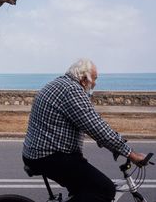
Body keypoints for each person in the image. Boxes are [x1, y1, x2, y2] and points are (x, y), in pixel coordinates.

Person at [22, 58, 146, 202]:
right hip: (49, 156)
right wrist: (132, 155)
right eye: (94, 78)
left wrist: (114, 146)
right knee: (104, 189)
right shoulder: (72, 90)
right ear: (83, 78)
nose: (94, 83)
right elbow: (96, 127)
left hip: (38, 152)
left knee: (84, 189)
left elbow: (88, 125)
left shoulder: (59, 83)